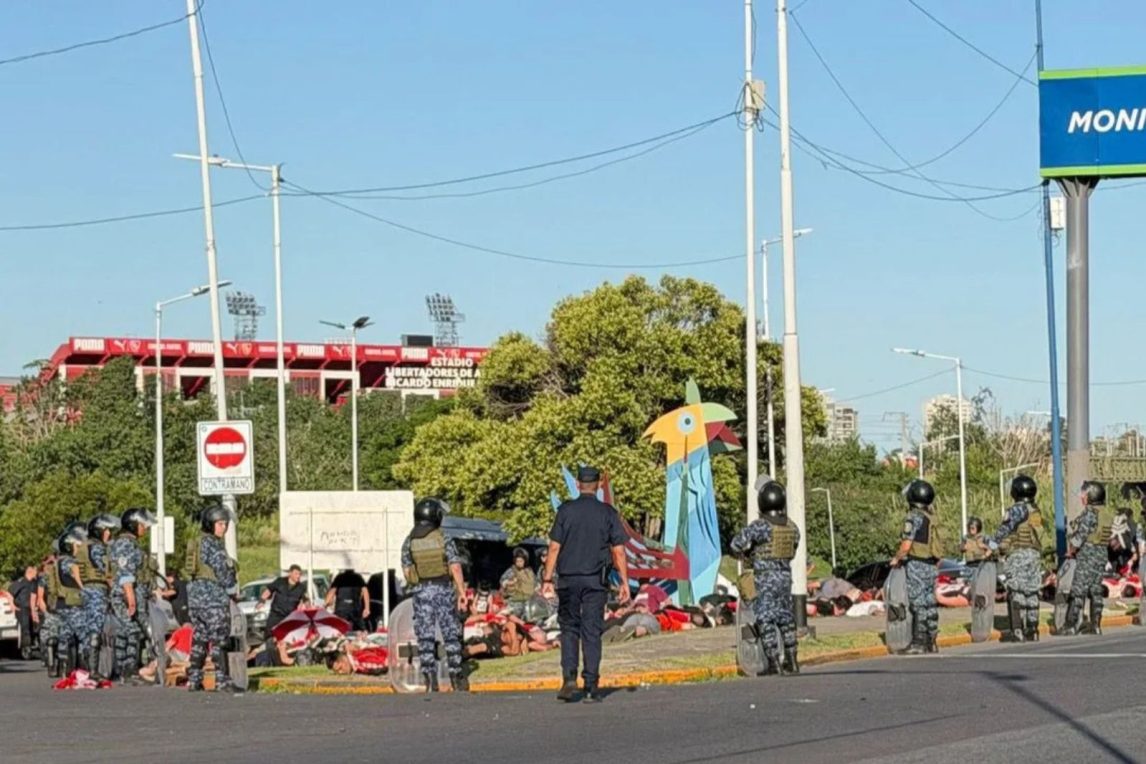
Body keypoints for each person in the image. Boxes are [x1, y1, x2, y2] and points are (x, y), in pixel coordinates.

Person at [541, 465, 630, 703]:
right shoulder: (608, 513)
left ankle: (569, 677)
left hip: (568, 579)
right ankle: (591, 685)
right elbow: (619, 551)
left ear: (578, 485)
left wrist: (547, 579)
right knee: (592, 631)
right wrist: (624, 582)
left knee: (569, 628)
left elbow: (554, 547)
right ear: (599, 485)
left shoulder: (565, 511)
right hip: (594, 581)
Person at [730, 480, 802, 675]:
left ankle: (773, 662)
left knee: (766, 618)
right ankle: (792, 660)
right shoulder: (792, 527)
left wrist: (749, 552)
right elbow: (793, 550)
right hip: (785, 578)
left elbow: (736, 544)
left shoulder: (760, 526)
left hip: (765, 579)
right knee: (786, 617)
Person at [400, 497, 468, 693]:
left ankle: (429, 677)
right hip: (443, 589)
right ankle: (456, 675)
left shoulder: (409, 541)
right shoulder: (443, 538)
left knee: (425, 634)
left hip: (421, 591)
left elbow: (406, 571)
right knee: (451, 633)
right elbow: (455, 566)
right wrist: (462, 592)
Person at [185, 504, 240, 693]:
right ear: (210, 524)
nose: (223, 528)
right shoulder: (214, 545)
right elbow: (223, 571)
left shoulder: (197, 543)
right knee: (219, 638)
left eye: (225, 524)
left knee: (200, 638)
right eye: (220, 524)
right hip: (213, 598)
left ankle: (194, 678)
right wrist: (233, 589)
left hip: (195, 598)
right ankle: (222, 679)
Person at [986, 474, 1043, 642]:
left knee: (1016, 590)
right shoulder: (1035, 510)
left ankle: (1017, 630)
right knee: (1032, 591)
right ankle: (1032, 629)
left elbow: (1004, 530)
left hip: (1018, 553)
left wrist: (991, 546)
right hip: (1034, 554)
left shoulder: (1017, 509)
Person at [889, 479, 942, 655]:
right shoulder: (932, 517)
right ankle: (931, 640)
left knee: (918, 603)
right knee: (930, 603)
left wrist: (896, 558)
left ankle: (918, 642)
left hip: (917, 564)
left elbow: (906, 545)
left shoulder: (914, 517)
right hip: (931, 565)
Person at [109, 507, 156, 684]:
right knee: (132, 632)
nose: (145, 528)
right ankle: (129, 670)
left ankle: (122, 670)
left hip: (131, 594)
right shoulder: (125, 544)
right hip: (125, 595)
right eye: (142, 525)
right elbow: (125, 573)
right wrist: (131, 598)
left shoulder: (130, 543)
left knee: (125, 631)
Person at [1063, 481, 1113, 636]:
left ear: (1091, 495)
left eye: (1084, 494)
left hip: (1088, 554)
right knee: (1095, 589)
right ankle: (1096, 625)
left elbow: (1081, 535)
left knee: (1078, 589)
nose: (1082, 497)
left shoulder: (1090, 513)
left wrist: (1071, 550)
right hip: (1101, 554)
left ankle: (1071, 625)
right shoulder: (1106, 513)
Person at [74, 514, 118, 680]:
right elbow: (107, 571)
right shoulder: (98, 548)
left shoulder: (84, 547)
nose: (108, 533)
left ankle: (84, 667)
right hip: (97, 590)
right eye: (106, 530)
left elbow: (76, 570)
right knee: (95, 630)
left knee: (88, 629)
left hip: (86, 589)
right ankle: (92, 670)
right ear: (99, 531)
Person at [261, 565, 308, 640]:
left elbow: (306, 600)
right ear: (290, 573)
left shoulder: (301, 587)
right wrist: (262, 601)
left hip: (289, 617)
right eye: (296, 574)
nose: (298, 576)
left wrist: (308, 608)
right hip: (275, 615)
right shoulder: (280, 581)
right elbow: (269, 590)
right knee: (269, 636)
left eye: (299, 574)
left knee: (287, 638)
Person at [8, 566, 39, 658]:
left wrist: (34, 612)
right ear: (30, 572)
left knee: (32, 628)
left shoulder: (33, 583)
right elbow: (9, 593)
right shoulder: (21, 582)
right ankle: (26, 648)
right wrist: (12, 605)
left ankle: (33, 645)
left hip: (29, 609)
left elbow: (33, 599)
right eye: (35, 571)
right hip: (22, 609)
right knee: (25, 628)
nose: (36, 573)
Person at [499, 547, 537, 616]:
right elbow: (502, 582)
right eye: (517, 561)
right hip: (514, 602)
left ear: (525, 561)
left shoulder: (529, 572)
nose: (519, 563)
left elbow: (536, 584)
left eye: (521, 561)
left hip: (528, 602)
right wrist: (510, 582)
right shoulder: (511, 571)